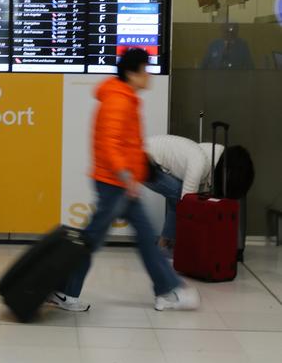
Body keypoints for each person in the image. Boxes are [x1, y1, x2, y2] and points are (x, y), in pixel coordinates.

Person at [48, 49, 200, 313]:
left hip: (119, 184)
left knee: (137, 237)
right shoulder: (118, 100)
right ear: (132, 73)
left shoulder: (125, 97)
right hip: (114, 184)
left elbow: (125, 144)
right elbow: (109, 144)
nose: (148, 75)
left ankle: (165, 291)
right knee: (93, 240)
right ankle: (66, 291)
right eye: (145, 69)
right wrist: (126, 175)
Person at [145, 135, 254, 252]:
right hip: (145, 161)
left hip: (149, 158)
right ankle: (173, 246)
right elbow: (186, 205)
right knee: (181, 199)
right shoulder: (199, 164)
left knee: (179, 200)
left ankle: (165, 243)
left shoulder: (216, 155)